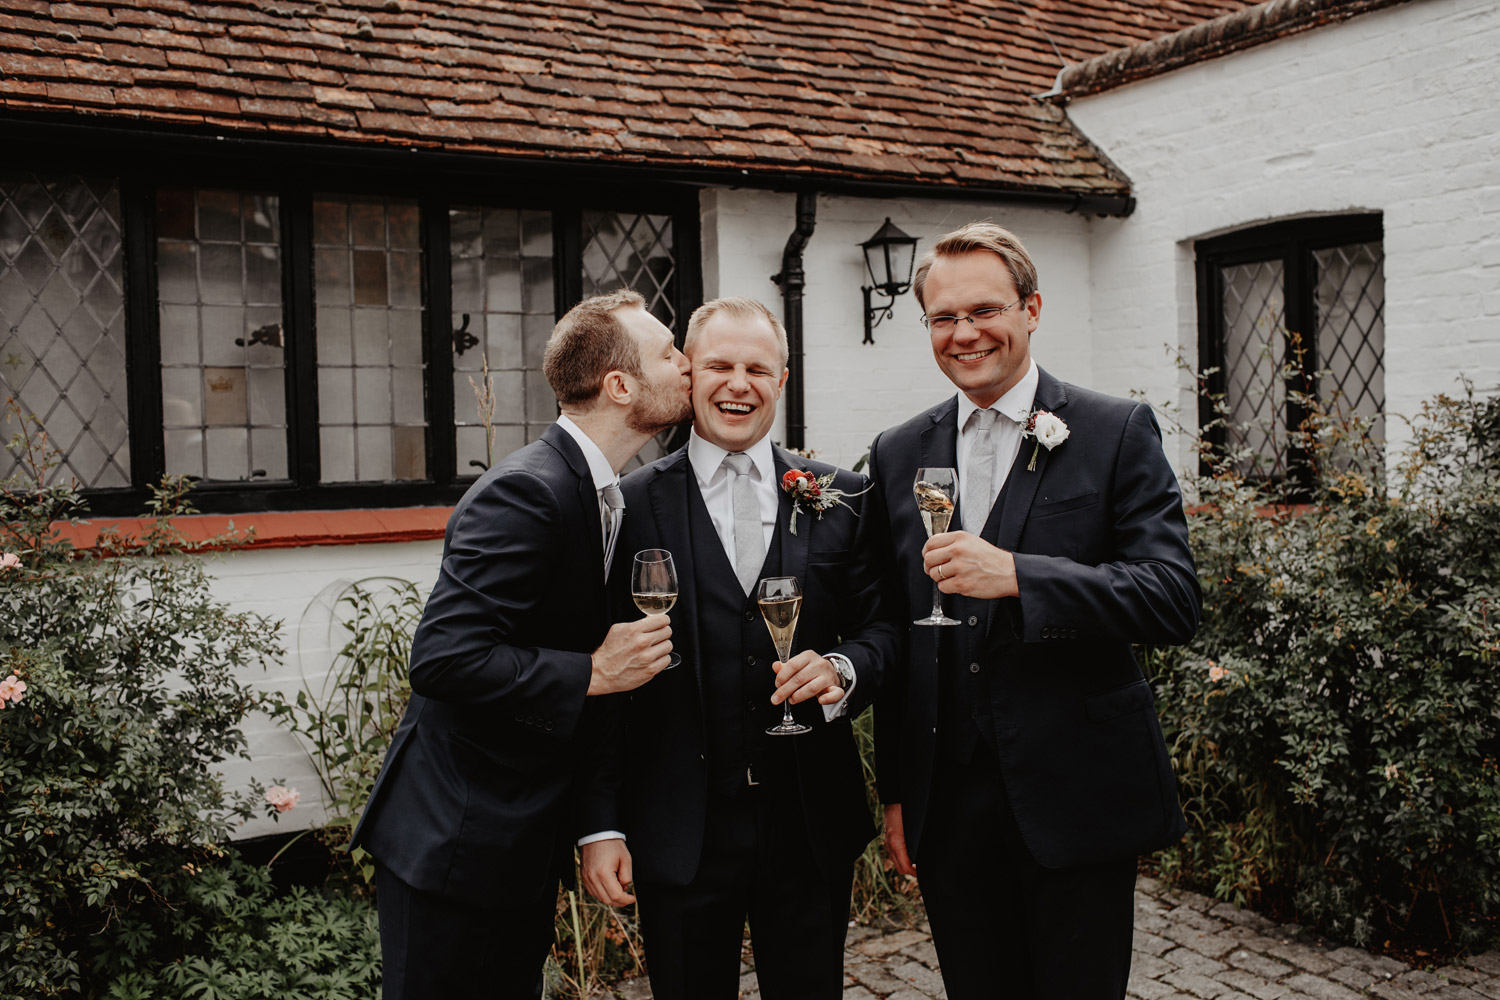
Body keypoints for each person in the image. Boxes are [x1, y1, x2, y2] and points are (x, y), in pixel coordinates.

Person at [867, 222, 1201, 999]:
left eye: (984, 310)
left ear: (1032, 308)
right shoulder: (896, 451)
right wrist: (897, 794)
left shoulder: (1113, 431)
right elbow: (897, 632)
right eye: (943, 318)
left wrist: (1020, 574)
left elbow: (1171, 597)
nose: (965, 333)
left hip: (1076, 795)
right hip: (949, 805)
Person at [351, 289, 692, 1000]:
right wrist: (591, 672)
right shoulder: (527, 492)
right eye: (670, 352)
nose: (687, 365)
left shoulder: (603, 493)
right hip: (457, 837)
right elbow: (442, 656)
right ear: (620, 385)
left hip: (518, 841)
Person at [578, 297, 898, 1000]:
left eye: (759, 368)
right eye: (719, 365)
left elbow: (887, 631)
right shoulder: (626, 505)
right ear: (688, 375)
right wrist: (599, 822)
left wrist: (846, 668)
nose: (738, 383)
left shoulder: (842, 496)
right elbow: (602, 673)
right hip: (677, 822)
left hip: (809, 820)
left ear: (782, 380)